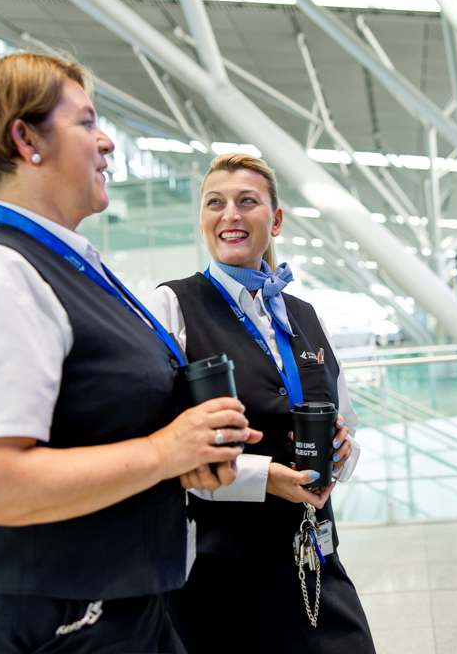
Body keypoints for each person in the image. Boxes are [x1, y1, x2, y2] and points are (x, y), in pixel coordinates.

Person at [0, 52, 260, 653]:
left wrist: (190, 453)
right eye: (85, 123)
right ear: (26, 139)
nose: (106, 142)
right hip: (54, 620)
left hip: (128, 602)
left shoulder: (78, 266)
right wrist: (166, 450)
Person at [147, 153, 376, 654]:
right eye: (215, 203)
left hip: (315, 556)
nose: (230, 214)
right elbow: (161, 445)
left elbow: (347, 422)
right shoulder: (172, 306)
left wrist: (341, 453)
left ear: (274, 220)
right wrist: (264, 478)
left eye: (246, 201)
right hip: (220, 571)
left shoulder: (303, 314)